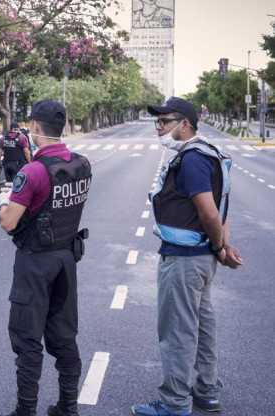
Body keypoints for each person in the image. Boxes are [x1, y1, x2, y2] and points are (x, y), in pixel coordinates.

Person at [131, 97, 243, 416]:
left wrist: (221, 246)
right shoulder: (210, 153)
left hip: (185, 259)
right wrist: (221, 245)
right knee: (203, 326)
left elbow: (209, 212)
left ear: (185, 124)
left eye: (164, 121)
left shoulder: (193, 158)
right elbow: (224, 207)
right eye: (157, 121)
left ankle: (175, 401)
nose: (158, 127)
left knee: (178, 330)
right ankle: (207, 391)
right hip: (202, 257)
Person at [0, 99, 92, 416]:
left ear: (35, 127)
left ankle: (26, 410)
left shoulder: (33, 172)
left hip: (35, 262)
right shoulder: (81, 165)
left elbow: (10, 222)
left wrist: (1, 204)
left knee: (27, 338)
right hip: (66, 259)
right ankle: (68, 406)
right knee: (64, 336)